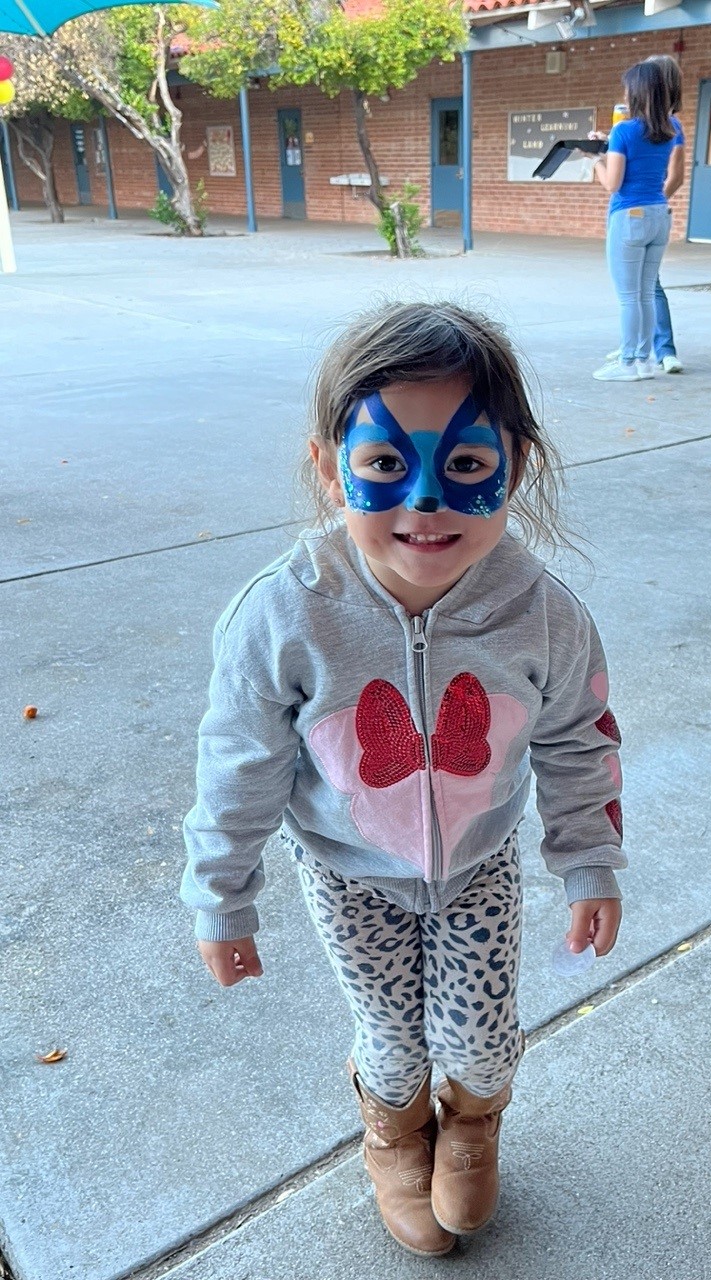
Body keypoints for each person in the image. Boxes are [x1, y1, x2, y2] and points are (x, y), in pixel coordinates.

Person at [180, 302, 626, 1258]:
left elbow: (580, 739)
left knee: (483, 1036)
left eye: (465, 465)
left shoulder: (543, 616)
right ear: (325, 463)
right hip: (348, 877)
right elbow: (238, 766)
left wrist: (588, 860)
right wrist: (222, 896)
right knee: (390, 1034)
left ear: (519, 465)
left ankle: (469, 1121)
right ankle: (395, 1130)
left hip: (478, 866)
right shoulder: (281, 617)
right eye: (385, 464)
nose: (424, 503)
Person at [590, 59, 682, 382]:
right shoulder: (669, 131)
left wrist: (595, 161)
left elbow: (613, 183)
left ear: (637, 93)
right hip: (659, 215)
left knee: (629, 298)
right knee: (645, 294)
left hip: (629, 215)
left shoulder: (623, 131)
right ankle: (644, 360)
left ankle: (627, 362)